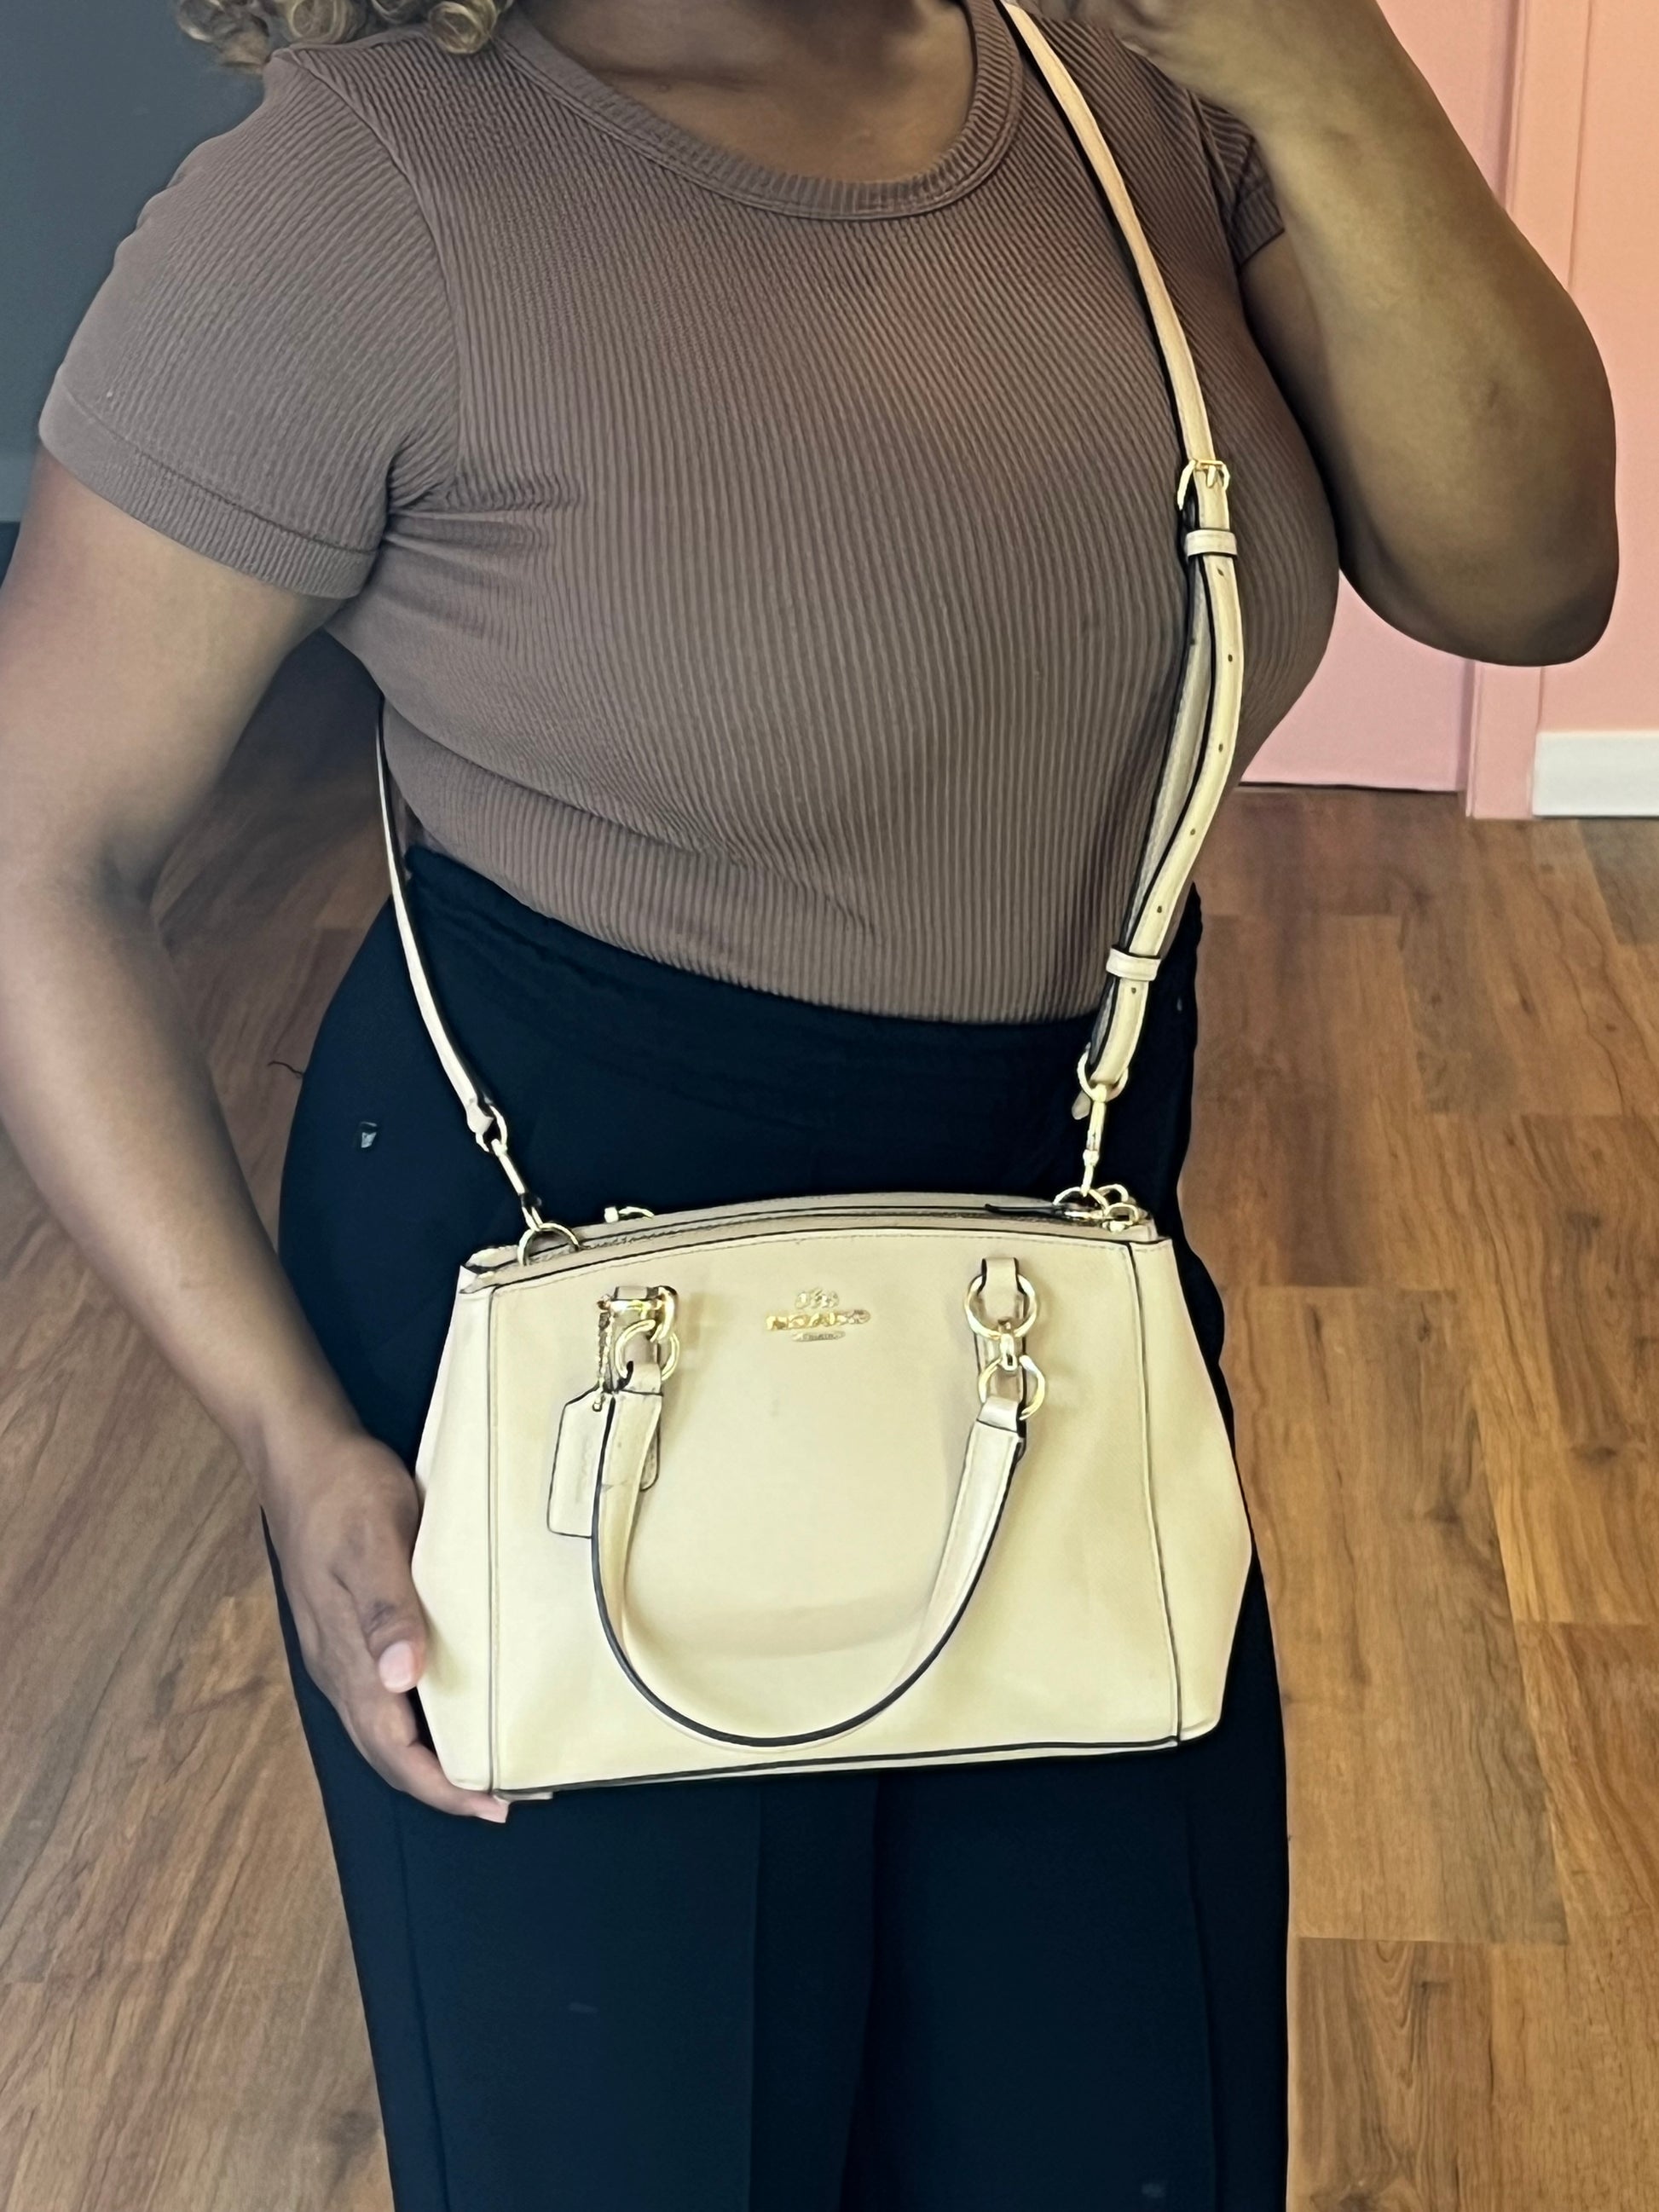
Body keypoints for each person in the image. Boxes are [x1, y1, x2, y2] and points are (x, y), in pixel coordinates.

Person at [0, 0, 1616, 2204]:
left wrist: (1324, 72)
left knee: (1116, 2135)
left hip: (1055, 1281)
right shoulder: (354, 201)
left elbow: (1527, 579)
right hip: (549, 1323)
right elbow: (39, 856)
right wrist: (287, 1437)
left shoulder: (1141, 84)